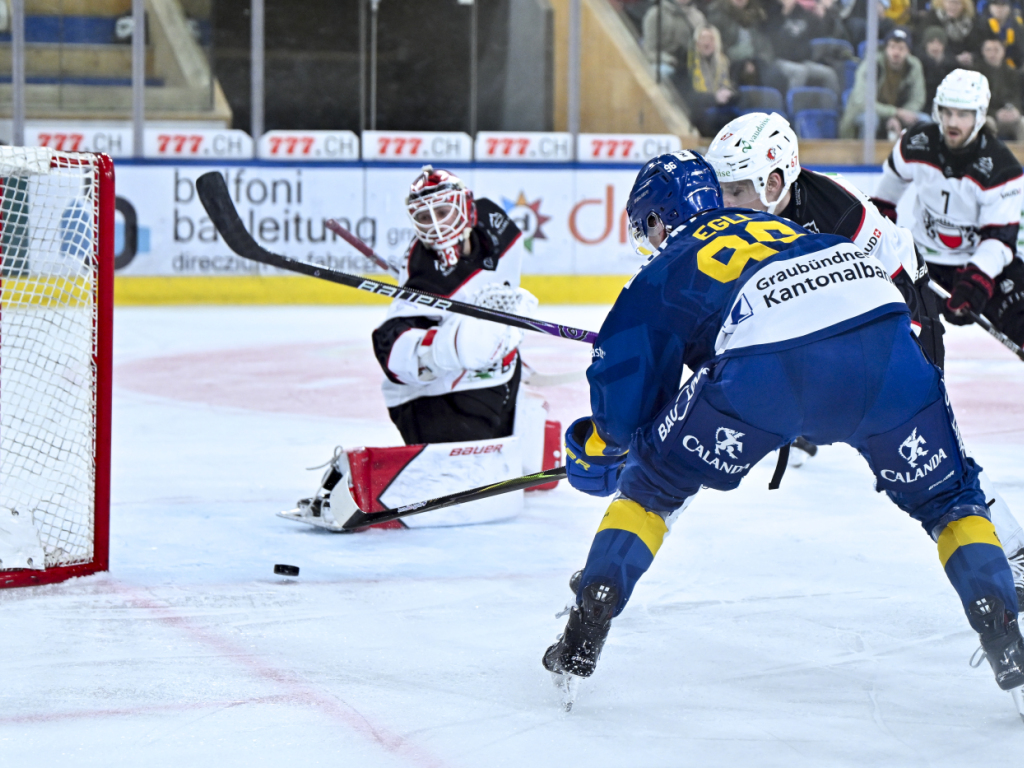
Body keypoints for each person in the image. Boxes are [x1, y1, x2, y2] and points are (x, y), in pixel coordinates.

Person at [541, 150, 1024, 707]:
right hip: (887, 340)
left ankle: (588, 621)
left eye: (644, 227)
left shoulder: (663, 270)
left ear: (657, 218)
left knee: (651, 488)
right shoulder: (788, 227)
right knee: (950, 501)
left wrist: (600, 446)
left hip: (769, 371)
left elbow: (623, 412)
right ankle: (1002, 629)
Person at [704, 110, 1024, 600]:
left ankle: (1015, 552)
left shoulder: (839, 210)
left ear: (774, 180)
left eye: (736, 190)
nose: (724, 204)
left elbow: (898, 288)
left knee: (935, 459)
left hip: (901, 320)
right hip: (828, 334)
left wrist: (904, 367)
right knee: (699, 436)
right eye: (721, 189)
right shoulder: (740, 219)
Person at [285, 166, 538, 530]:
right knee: (472, 475)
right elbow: (390, 346)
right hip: (435, 401)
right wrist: (448, 346)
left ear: (467, 208)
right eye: (424, 217)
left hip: (496, 382)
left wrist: (503, 339)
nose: (435, 225)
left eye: (443, 211)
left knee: (516, 446)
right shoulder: (422, 278)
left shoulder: (497, 226)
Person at [873, 69, 1024, 349]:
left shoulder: (1002, 167)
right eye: (947, 112)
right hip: (924, 263)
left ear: (980, 116)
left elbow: (999, 240)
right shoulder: (916, 142)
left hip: (976, 262)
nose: (953, 122)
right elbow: (883, 202)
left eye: (963, 114)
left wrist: (976, 282)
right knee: (899, 333)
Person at [840, 27, 926, 139]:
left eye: (901, 48)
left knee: (925, 121)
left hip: (900, 113)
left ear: (908, 51)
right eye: (892, 47)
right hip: (868, 112)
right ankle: (862, 151)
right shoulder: (871, 64)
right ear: (885, 48)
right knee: (871, 120)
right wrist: (894, 113)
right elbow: (862, 102)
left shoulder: (914, 66)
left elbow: (918, 99)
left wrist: (899, 116)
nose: (896, 52)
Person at [681, 25, 739, 137]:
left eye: (711, 39)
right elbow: (687, 96)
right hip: (698, 113)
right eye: (703, 38)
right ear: (696, 42)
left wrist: (729, 93)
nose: (706, 43)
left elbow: (734, 87)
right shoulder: (687, 63)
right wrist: (714, 98)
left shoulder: (725, 62)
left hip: (721, 110)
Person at [642, 0, 707, 82]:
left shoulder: (698, 19)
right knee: (663, 71)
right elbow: (649, 50)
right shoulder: (656, 13)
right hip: (663, 63)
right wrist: (670, 60)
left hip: (687, 68)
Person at [975, 33, 1024, 140]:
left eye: (996, 50)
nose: (992, 54)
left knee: (1022, 122)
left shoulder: (1012, 73)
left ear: (1003, 52)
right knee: (988, 123)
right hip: (988, 115)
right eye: (988, 50)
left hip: (1009, 114)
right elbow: (976, 100)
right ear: (983, 52)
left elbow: (1017, 96)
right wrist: (995, 113)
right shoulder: (976, 73)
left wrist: (1015, 110)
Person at [915, 0, 982, 67]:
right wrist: (953, 59)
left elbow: (978, 47)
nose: (953, 6)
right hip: (939, 65)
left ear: (965, 5)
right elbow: (921, 47)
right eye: (949, 2)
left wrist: (972, 56)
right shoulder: (931, 19)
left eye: (957, 3)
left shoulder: (972, 22)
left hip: (967, 66)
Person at [978, 0, 1024, 69]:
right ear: (989, 7)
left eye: (1003, 5)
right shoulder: (981, 25)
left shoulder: (1016, 26)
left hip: (1012, 66)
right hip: (985, 66)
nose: (999, 8)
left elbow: (1020, 50)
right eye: (995, 4)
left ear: (1009, 7)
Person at [920, 26, 955, 113]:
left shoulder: (952, 65)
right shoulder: (919, 64)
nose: (935, 46)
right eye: (931, 42)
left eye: (939, 43)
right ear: (926, 44)